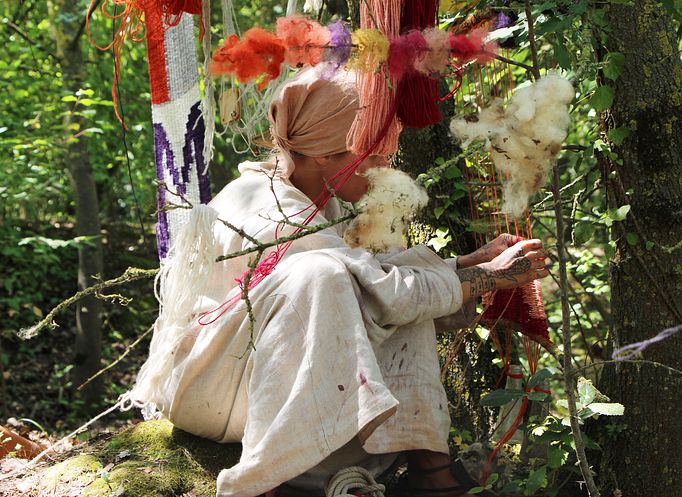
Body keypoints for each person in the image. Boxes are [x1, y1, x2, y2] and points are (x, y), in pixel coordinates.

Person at [131, 67, 548, 497]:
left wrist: (467, 263)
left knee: (386, 281)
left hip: (241, 376)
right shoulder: (272, 211)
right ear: (324, 153)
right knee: (328, 275)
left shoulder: (304, 194)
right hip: (210, 390)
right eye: (372, 152)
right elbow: (380, 292)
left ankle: (431, 471)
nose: (384, 164)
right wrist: (487, 276)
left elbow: (382, 284)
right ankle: (262, 481)